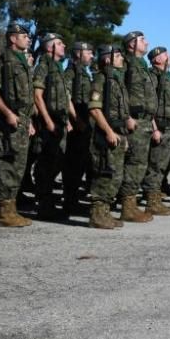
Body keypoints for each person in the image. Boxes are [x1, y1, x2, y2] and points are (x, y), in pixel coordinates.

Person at [0, 23, 36, 228]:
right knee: (8, 165)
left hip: (22, 121)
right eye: (24, 35)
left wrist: (28, 120)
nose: (28, 39)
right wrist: (8, 114)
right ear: (13, 39)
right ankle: (5, 213)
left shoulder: (22, 63)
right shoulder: (5, 63)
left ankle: (11, 209)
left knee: (19, 166)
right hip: (10, 122)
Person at [33, 32, 74, 219]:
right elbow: (37, 95)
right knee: (46, 163)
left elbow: (65, 97)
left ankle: (48, 201)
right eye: (59, 43)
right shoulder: (43, 66)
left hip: (60, 121)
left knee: (57, 161)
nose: (64, 46)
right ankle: (43, 204)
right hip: (48, 122)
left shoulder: (58, 68)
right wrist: (47, 120)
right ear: (50, 47)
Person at [86, 44, 128, 229]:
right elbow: (94, 109)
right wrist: (109, 131)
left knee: (115, 176)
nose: (121, 59)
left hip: (118, 133)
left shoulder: (117, 81)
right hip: (105, 134)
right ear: (107, 59)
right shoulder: (101, 80)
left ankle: (105, 213)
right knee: (104, 174)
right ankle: (97, 214)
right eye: (118, 56)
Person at [119, 30, 157, 223]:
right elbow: (120, 92)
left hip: (145, 121)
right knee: (134, 165)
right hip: (134, 120)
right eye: (142, 40)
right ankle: (128, 207)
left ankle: (131, 204)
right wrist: (126, 117)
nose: (147, 43)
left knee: (140, 165)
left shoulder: (143, 67)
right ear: (132, 44)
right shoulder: (127, 64)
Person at [142, 46, 170, 216]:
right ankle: (151, 202)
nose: (168, 56)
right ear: (156, 59)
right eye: (164, 54)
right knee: (155, 166)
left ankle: (155, 198)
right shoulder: (153, 76)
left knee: (162, 166)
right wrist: (154, 128)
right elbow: (151, 105)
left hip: (169, 126)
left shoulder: (166, 77)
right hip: (159, 127)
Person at [63, 41, 94, 217]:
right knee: (72, 166)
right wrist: (75, 120)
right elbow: (66, 98)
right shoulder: (70, 73)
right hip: (76, 125)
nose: (91, 55)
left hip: (84, 124)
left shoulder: (84, 74)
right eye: (88, 52)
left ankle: (73, 201)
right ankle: (69, 202)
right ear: (77, 54)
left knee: (80, 164)